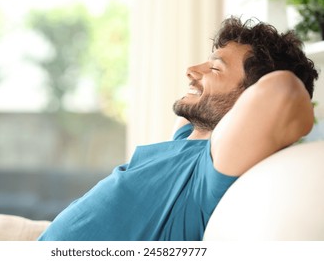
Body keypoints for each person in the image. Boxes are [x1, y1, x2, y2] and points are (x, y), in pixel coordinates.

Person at [38, 16, 318, 241]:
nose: (190, 69)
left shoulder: (208, 172)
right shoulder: (186, 139)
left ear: (249, 98)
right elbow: (199, 108)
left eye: (215, 69)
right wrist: (215, 75)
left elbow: (283, 92)